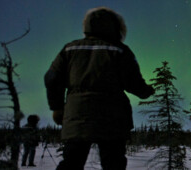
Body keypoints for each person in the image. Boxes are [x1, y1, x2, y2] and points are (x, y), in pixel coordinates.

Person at [44, 7, 154, 170]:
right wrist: (147, 91)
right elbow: (134, 82)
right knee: (113, 163)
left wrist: (57, 108)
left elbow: (52, 78)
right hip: (113, 118)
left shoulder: (70, 49)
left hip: (77, 114)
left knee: (71, 162)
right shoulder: (120, 51)